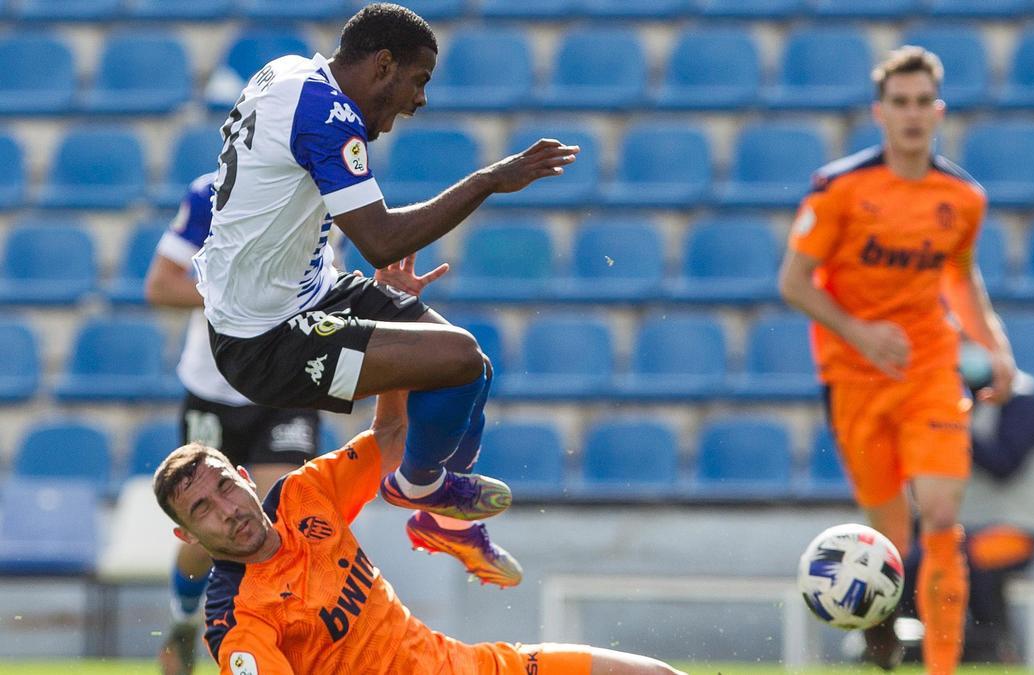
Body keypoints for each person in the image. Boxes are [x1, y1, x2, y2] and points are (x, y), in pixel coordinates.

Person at [195, 3, 575, 593]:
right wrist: (488, 180)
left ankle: (441, 516)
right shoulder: (327, 114)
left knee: (471, 370)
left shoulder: (289, 73)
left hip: (309, 293)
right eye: (418, 81)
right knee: (457, 361)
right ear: (383, 64)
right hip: (264, 339)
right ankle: (418, 486)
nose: (419, 100)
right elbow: (381, 241)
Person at [152, 383, 685, 675]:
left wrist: (390, 332)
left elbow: (391, 434)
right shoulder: (239, 623)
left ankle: (436, 511)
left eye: (224, 487)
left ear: (244, 478)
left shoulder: (305, 493)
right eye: (201, 510)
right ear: (190, 539)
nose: (226, 509)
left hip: (471, 666)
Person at [145, 172, 449, 675]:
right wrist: (244, 296)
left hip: (285, 379)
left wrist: (386, 309)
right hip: (216, 388)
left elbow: (326, 289)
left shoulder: (332, 187)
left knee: (276, 505)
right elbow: (160, 285)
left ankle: (309, 634)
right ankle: (184, 618)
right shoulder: (214, 194)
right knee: (208, 532)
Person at [777, 46, 1016, 674]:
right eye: (899, 103)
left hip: (930, 367)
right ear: (880, 112)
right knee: (890, 538)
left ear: (937, 112)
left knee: (941, 515)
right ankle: (881, 642)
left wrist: (993, 343)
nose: (912, 115)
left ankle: (941, 666)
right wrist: (859, 332)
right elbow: (795, 281)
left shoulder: (962, 198)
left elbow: (959, 280)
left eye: (922, 104)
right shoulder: (841, 189)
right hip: (854, 375)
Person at [896, 344, 1034, 664]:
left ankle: (993, 645)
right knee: (914, 562)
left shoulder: (1021, 403)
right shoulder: (953, 402)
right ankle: (917, 640)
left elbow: (1005, 463)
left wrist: (955, 426)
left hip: (1015, 529)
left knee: (969, 559)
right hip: (960, 529)